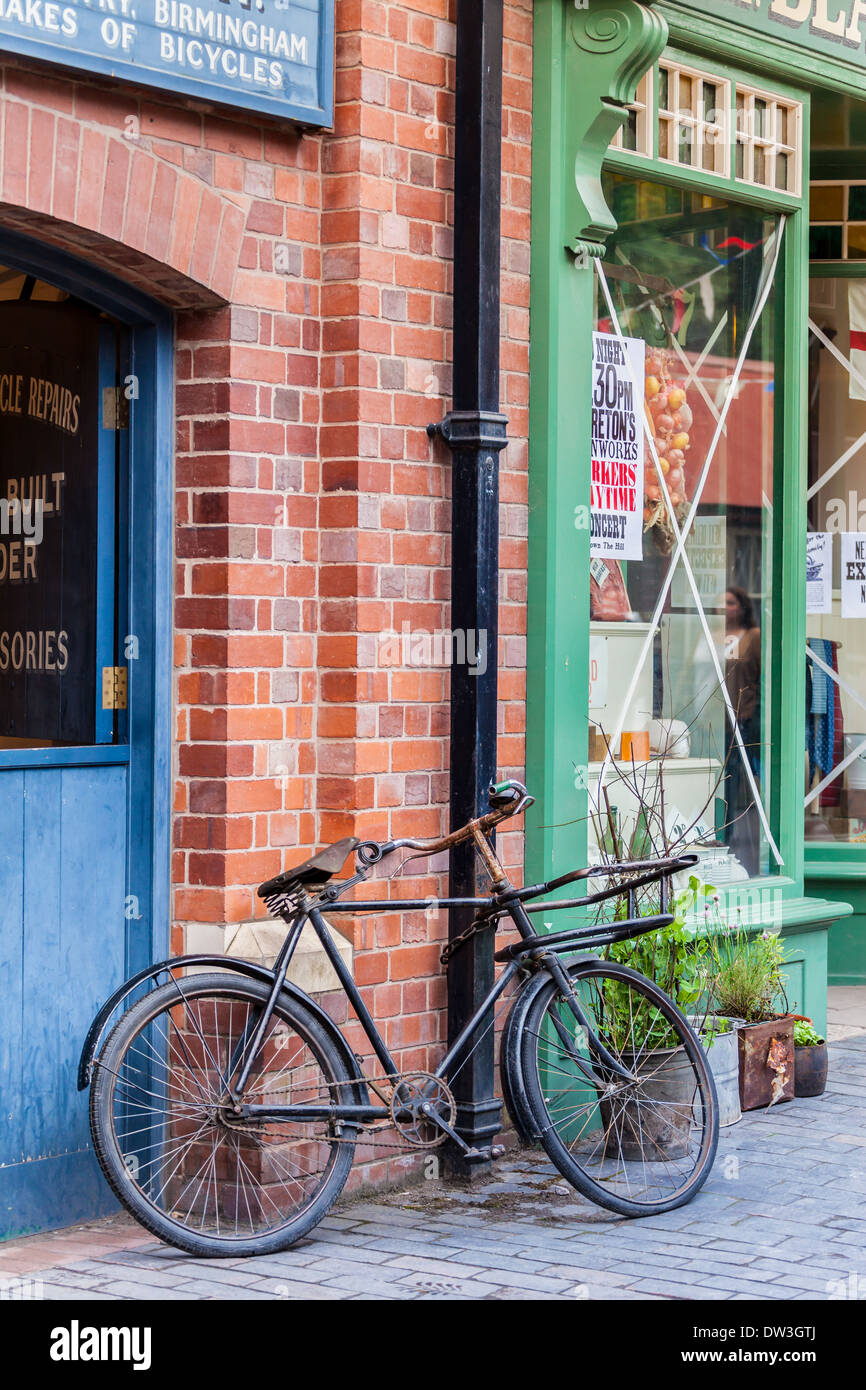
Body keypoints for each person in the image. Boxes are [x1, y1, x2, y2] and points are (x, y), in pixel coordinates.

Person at [722, 586, 761, 875]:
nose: (726, 608)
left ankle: (735, 842)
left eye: (731, 602)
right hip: (715, 721)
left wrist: (750, 711)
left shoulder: (753, 637)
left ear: (743, 607)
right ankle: (722, 836)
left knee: (737, 784)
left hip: (742, 720)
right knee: (722, 781)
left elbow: (763, 678)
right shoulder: (715, 634)